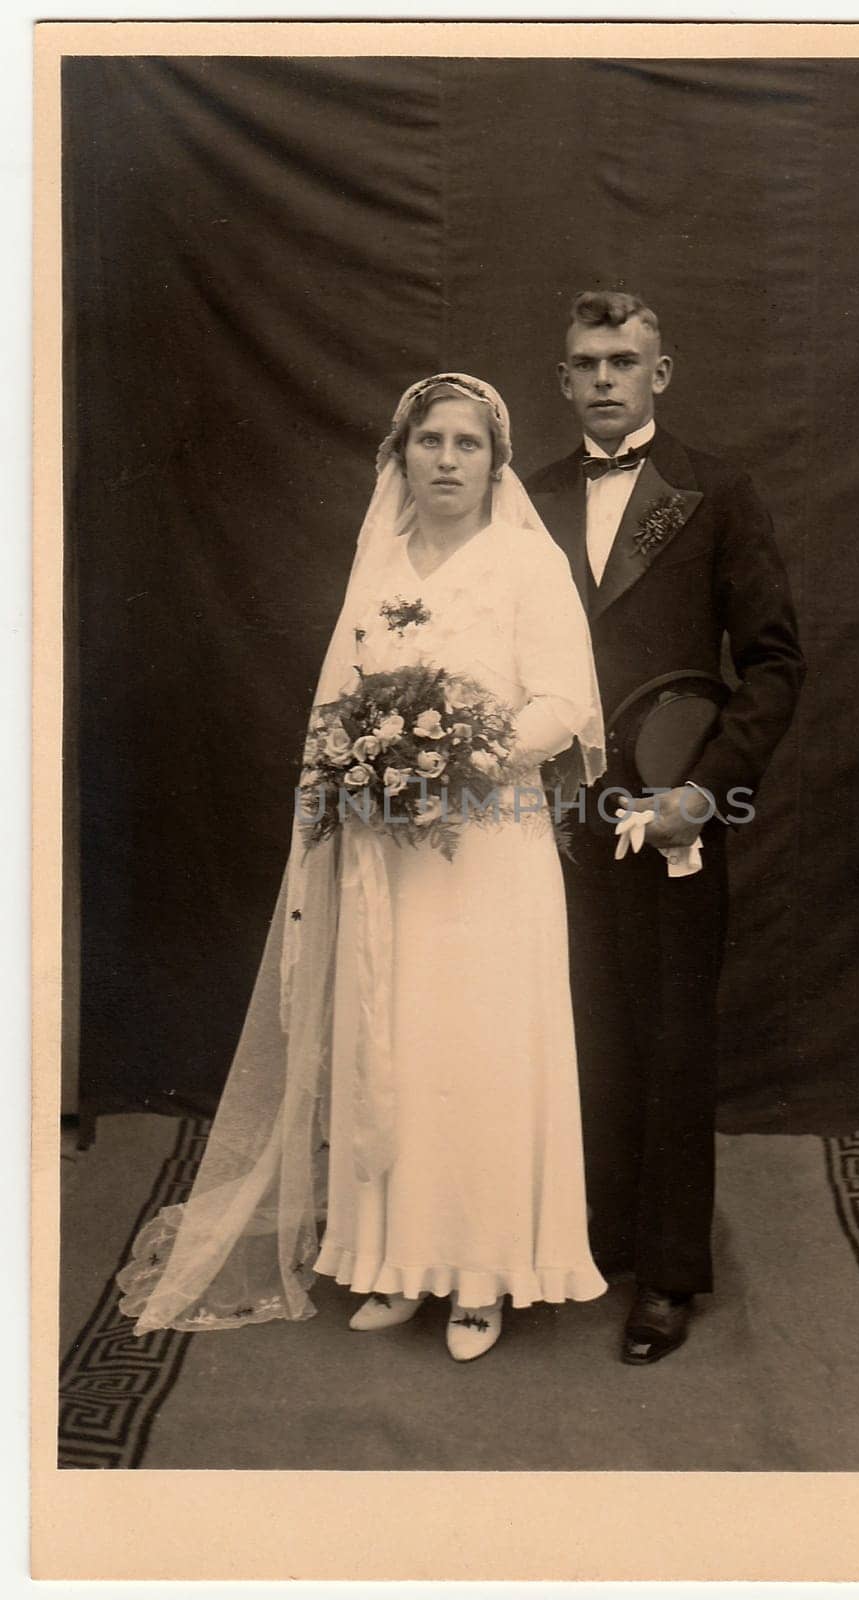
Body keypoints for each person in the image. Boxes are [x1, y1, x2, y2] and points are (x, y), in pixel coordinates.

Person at [117, 373, 608, 1362]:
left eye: (467, 444)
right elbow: (337, 710)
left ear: (494, 461)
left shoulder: (525, 564)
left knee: (482, 1058)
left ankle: (480, 1279)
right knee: (396, 1051)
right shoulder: (381, 563)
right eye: (429, 440)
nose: (446, 460)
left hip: (489, 854)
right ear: (402, 453)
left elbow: (564, 703)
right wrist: (361, 777)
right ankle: (390, 1262)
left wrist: (466, 755)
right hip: (390, 857)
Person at [526, 291, 805, 1365]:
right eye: (585, 360)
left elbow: (773, 663)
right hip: (549, 819)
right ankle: (585, 1237)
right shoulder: (531, 497)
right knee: (575, 1029)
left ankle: (668, 1273)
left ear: (661, 373)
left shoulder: (713, 493)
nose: (604, 378)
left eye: (624, 361)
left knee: (673, 1038)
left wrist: (707, 786)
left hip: (676, 809)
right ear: (561, 379)